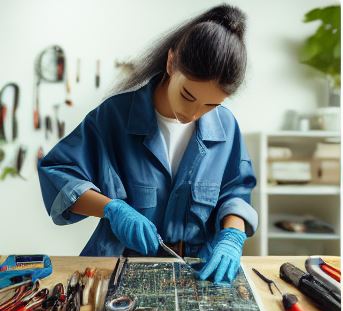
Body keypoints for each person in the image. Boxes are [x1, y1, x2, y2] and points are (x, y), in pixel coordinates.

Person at [38, 5, 255, 284]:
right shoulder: (113, 117)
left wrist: (233, 235)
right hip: (120, 269)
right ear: (171, 63)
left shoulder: (226, 126)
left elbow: (235, 192)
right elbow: (58, 174)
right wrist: (112, 209)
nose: (193, 114)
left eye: (211, 105)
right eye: (187, 95)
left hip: (200, 273)